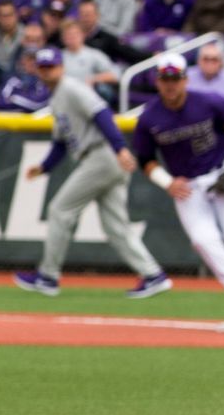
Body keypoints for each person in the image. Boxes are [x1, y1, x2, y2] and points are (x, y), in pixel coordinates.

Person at [13, 48, 172, 298]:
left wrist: (119, 148)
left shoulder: (71, 88)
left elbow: (102, 114)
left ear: (61, 67)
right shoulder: (56, 97)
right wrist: (44, 167)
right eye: (43, 67)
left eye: (51, 66)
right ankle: (153, 275)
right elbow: (60, 142)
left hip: (102, 156)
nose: (47, 71)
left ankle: (48, 276)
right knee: (116, 226)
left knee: (60, 210)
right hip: (101, 157)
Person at [134, 54, 224, 296]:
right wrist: (166, 182)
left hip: (222, 175)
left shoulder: (209, 102)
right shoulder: (149, 117)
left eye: (175, 78)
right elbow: (145, 159)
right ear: (157, 81)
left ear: (186, 80)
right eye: (165, 78)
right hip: (188, 188)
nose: (170, 84)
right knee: (204, 241)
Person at [59, 18, 119, 103]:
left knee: (104, 90)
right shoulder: (58, 56)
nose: (71, 38)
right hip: (64, 96)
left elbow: (115, 75)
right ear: (63, 38)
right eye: (68, 35)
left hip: (88, 96)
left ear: (82, 35)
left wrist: (94, 79)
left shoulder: (93, 54)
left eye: (74, 34)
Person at [76, 0, 149, 66]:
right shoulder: (70, 37)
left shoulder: (106, 38)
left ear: (97, 16)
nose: (86, 18)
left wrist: (150, 56)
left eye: (88, 15)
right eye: (83, 14)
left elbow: (128, 52)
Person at [0, 42, 52, 111]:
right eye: (29, 59)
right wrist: (27, 100)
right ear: (22, 60)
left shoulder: (45, 80)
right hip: (15, 120)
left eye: (35, 59)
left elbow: (38, 104)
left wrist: (15, 98)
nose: (32, 62)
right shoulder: (13, 80)